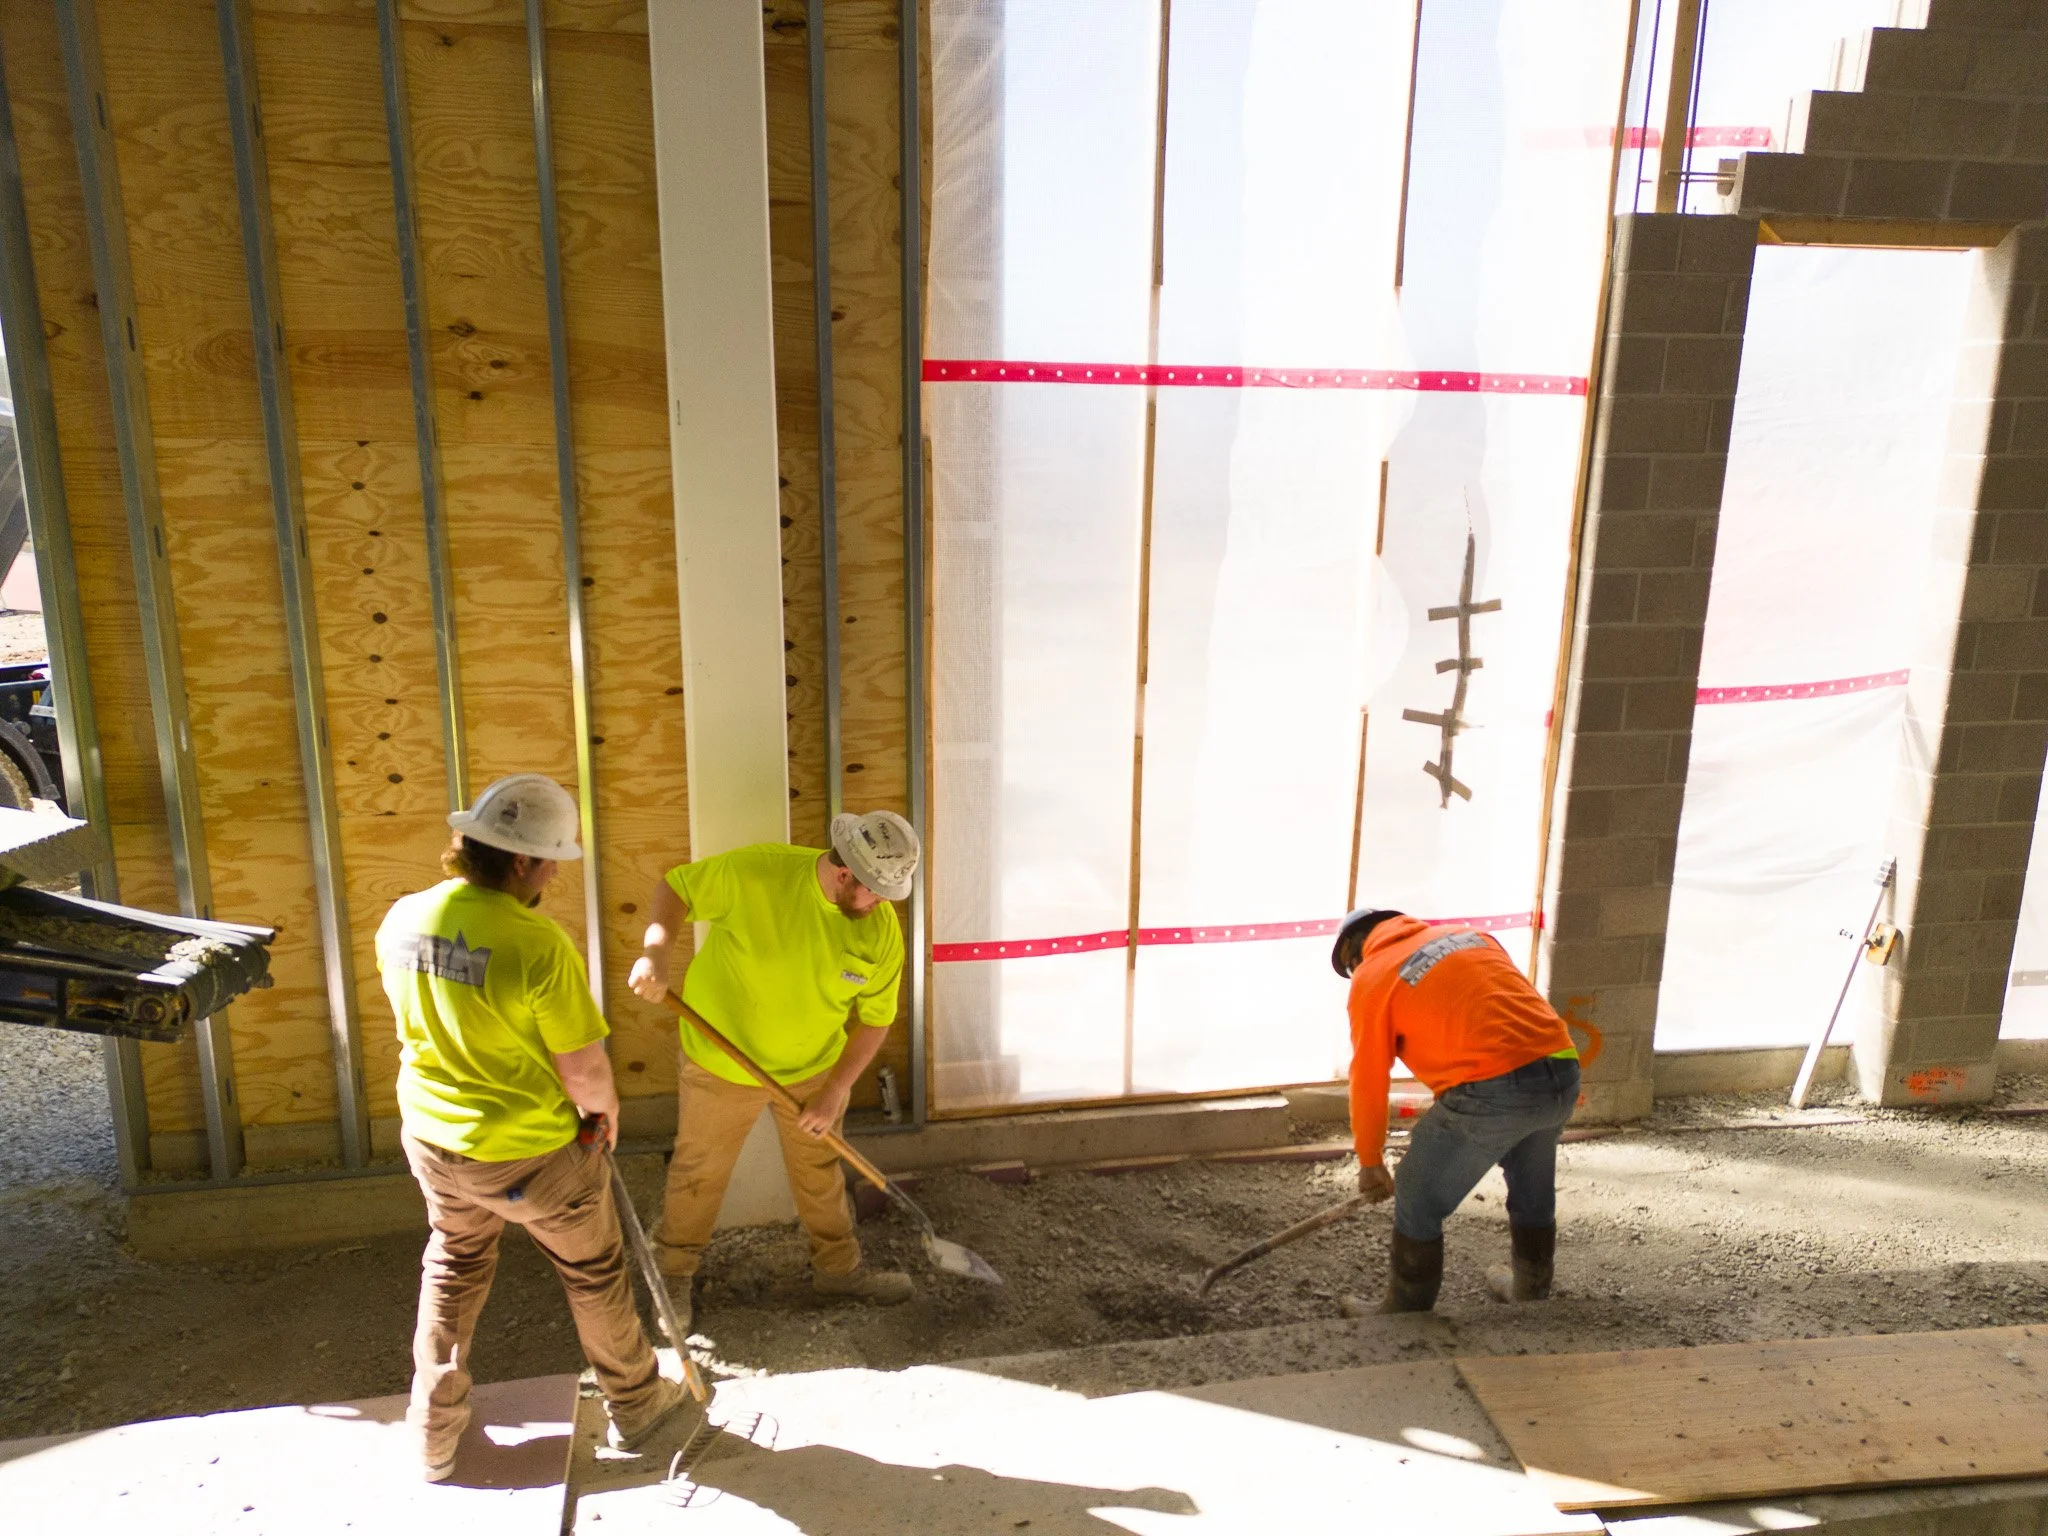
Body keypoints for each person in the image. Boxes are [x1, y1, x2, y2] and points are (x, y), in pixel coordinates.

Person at [379, 774, 692, 1481]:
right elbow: (583, 1071)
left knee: (453, 1264)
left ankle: (433, 1431)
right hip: (531, 1155)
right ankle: (638, 1403)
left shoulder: (403, 918)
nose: (555, 873)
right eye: (551, 860)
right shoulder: (537, 943)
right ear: (520, 861)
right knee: (593, 1272)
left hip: (434, 1139)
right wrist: (605, 1114)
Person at [626, 811, 919, 1328]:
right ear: (844, 874)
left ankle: (839, 1272)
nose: (882, 905)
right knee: (699, 1172)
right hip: (720, 1063)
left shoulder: (880, 931)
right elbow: (676, 888)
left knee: (820, 1173)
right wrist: (655, 954)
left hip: (813, 1071)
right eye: (875, 892)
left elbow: (876, 1020)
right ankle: (674, 1275)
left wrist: (836, 1089)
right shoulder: (758, 872)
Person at [1331, 907, 1582, 1314]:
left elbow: (1369, 1076)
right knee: (1531, 1185)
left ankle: (1405, 1311)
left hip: (1493, 1089)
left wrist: (1370, 1160)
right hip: (1561, 1068)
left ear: (1352, 951)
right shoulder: (1468, 935)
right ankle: (1530, 1293)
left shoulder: (1372, 975)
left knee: (1416, 1190)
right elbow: (1488, 1009)